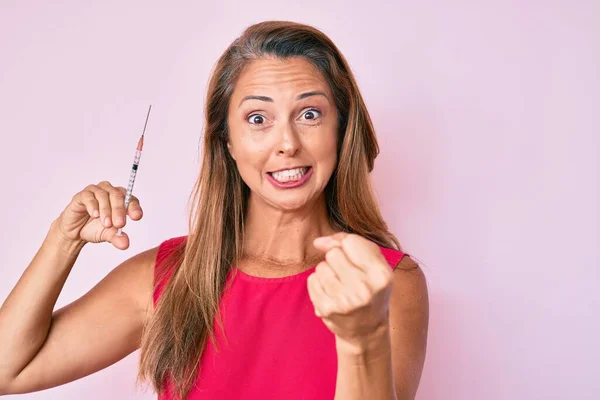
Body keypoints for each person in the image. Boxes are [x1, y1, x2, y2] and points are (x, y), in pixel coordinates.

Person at [0, 20, 429, 400]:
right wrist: (63, 238)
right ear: (227, 142)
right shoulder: (169, 278)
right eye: (258, 119)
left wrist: (361, 339)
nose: (287, 143)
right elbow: (8, 371)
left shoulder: (386, 282)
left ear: (341, 130)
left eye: (310, 114)